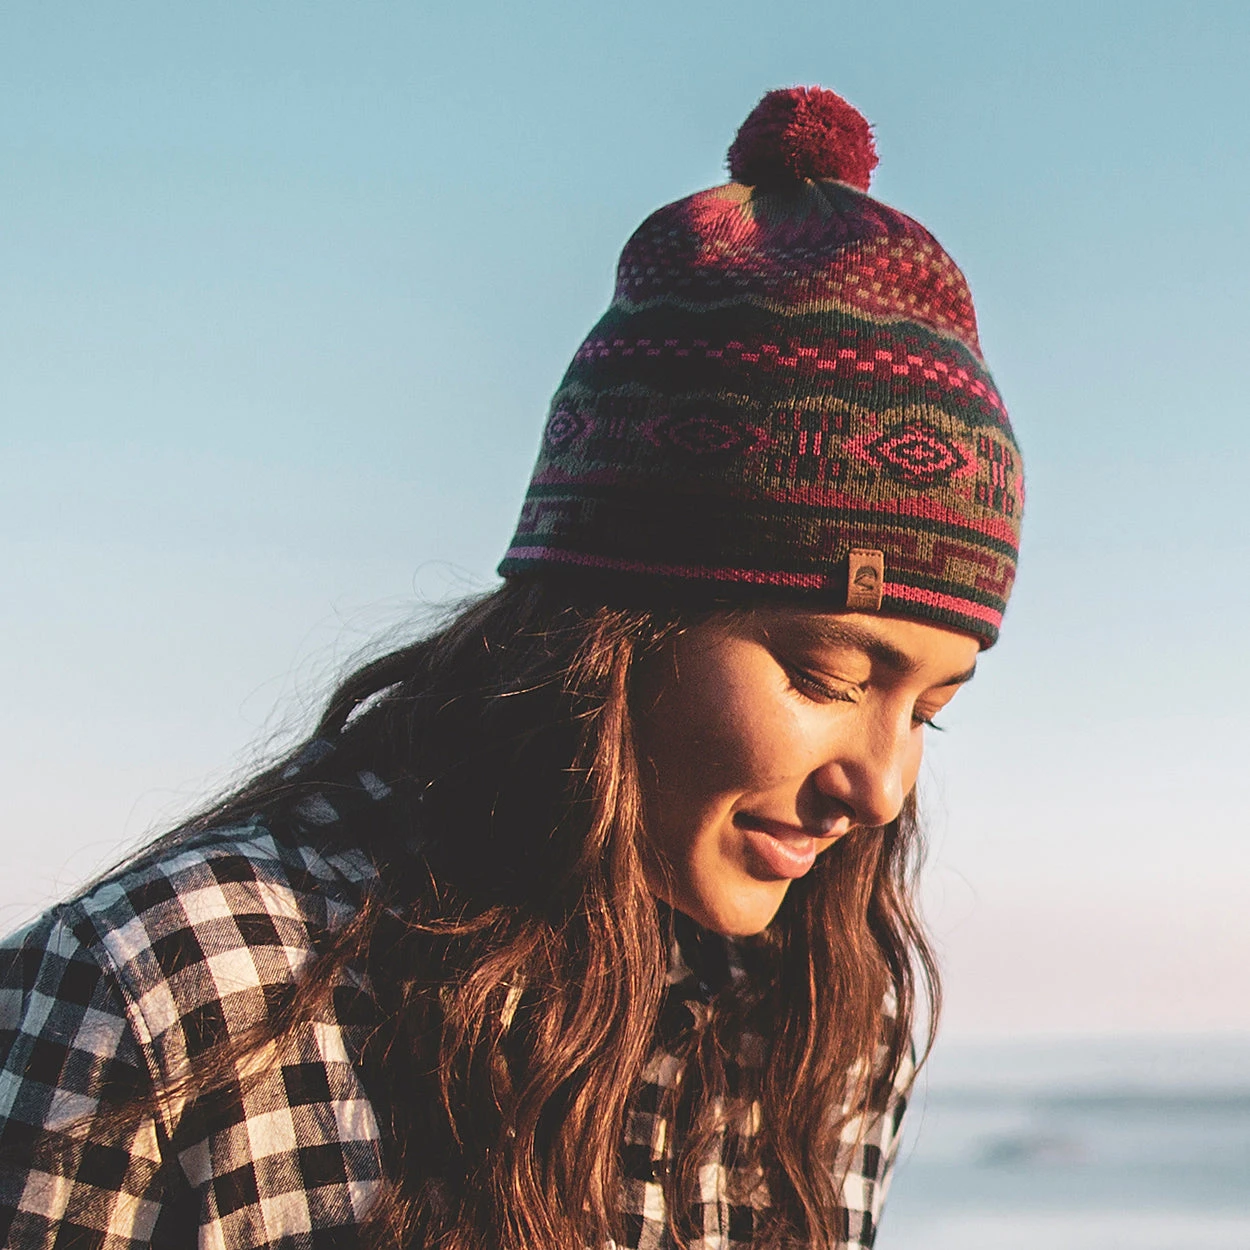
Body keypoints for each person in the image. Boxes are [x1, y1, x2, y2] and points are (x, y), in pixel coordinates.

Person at [0, 86, 1022, 1250]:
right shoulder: (173, 991)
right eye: (827, 677)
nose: (879, 787)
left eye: (927, 711)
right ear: (609, 629)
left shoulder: (817, 1015)